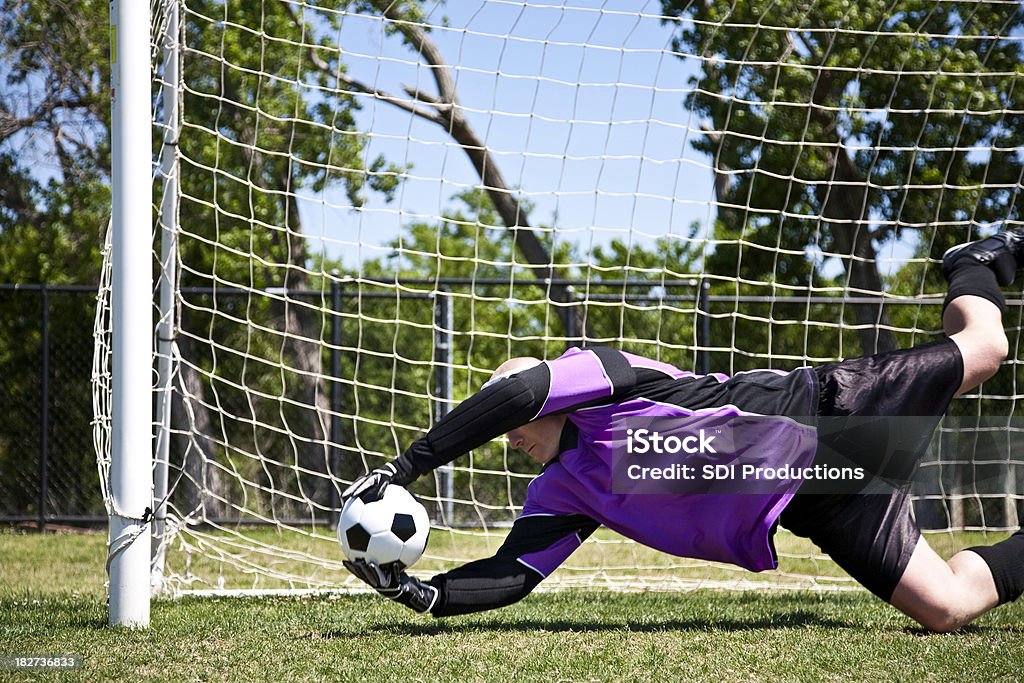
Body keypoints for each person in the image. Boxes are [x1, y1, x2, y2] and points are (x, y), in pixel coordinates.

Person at [342, 228, 1024, 632]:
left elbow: (520, 390)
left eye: (515, 419)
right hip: (823, 498)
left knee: (986, 349)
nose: (510, 434)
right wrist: (427, 595)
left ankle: (971, 260)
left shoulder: (601, 379)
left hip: (832, 409)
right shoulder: (568, 489)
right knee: (947, 607)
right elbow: (511, 572)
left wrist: (407, 466)